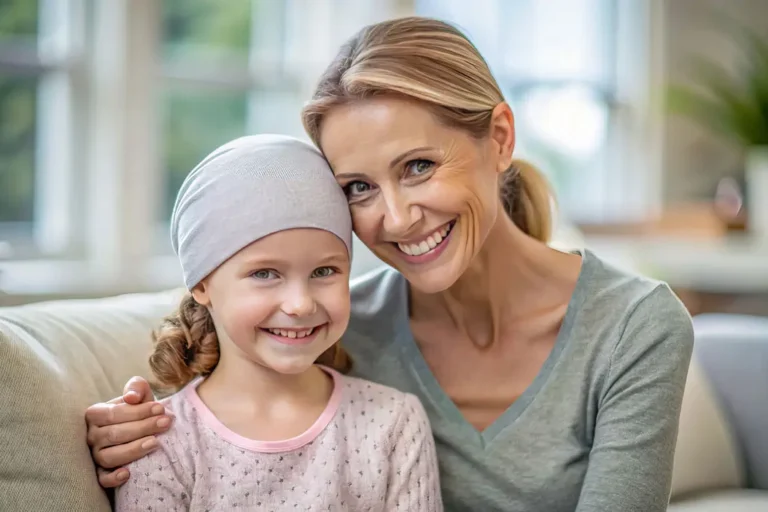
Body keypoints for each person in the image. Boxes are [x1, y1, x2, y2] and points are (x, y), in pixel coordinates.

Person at [85, 17, 694, 512]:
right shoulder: (335, 326)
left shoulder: (633, 327)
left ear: (500, 138)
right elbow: (226, 402)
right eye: (358, 188)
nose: (397, 219)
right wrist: (129, 425)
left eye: (419, 167)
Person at [112, 134, 442, 511]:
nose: (300, 304)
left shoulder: (393, 422)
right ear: (201, 284)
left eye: (324, 271)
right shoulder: (158, 442)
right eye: (265, 274)